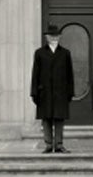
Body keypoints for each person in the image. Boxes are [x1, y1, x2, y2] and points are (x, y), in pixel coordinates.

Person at [30, 24, 74, 153]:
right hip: (45, 92)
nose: (54, 38)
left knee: (59, 119)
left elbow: (69, 74)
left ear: (59, 37)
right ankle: (48, 144)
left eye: (56, 36)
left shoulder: (65, 53)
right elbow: (35, 74)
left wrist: (70, 92)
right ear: (46, 37)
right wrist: (34, 92)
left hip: (61, 93)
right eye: (51, 36)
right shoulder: (39, 53)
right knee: (47, 119)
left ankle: (59, 144)